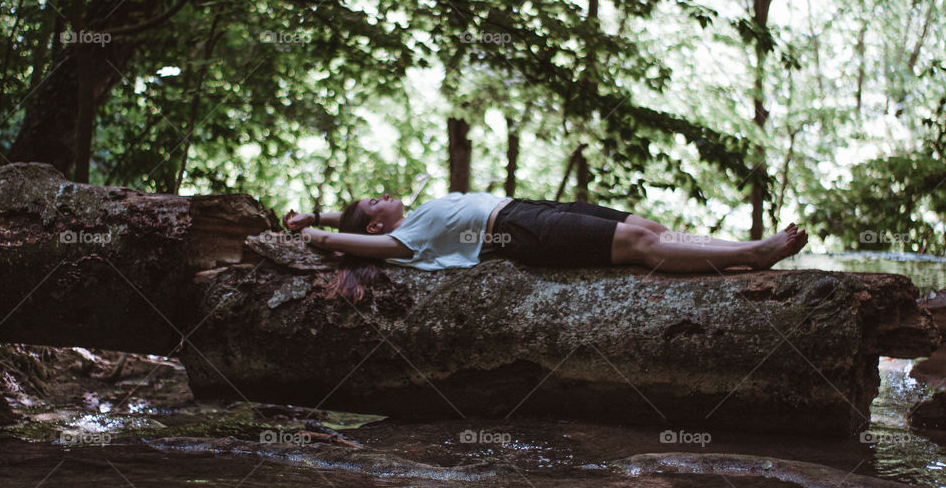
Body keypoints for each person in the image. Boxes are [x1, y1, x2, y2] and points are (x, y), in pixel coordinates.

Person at [283, 192, 808, 303]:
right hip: (517, 231)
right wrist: (305, 231)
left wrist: (314, 212)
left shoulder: (410, 220)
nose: (379, 195)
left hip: (523, 209)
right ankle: (756, 253)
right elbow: (334, 237)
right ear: (373, 230)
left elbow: (340, 221)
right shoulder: (402, 241)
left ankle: (741, 247)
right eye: (372, 203)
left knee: (649, 225)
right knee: (645, 245)